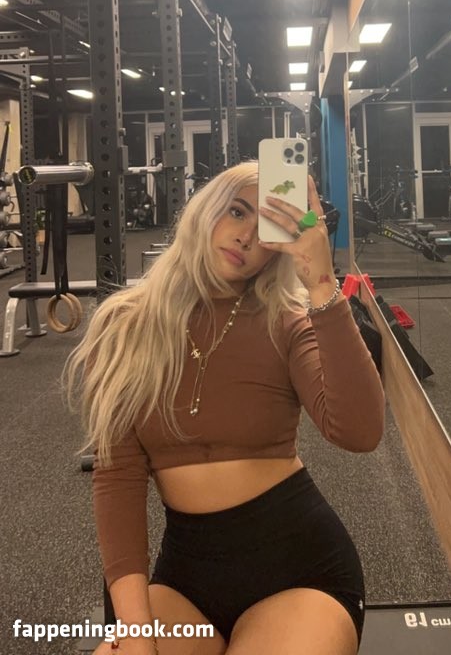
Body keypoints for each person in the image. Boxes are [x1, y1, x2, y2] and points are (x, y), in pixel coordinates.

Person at [64, 161, 385, 655]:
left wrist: (322, 284)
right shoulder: (124, 326)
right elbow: (117, 477)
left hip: (299, 569)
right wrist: (135, 633)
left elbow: (360, 432)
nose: (245, 237)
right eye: (236, 212)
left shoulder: (286, 321)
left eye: (265, 228)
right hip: (186, 577)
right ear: (205, 210)